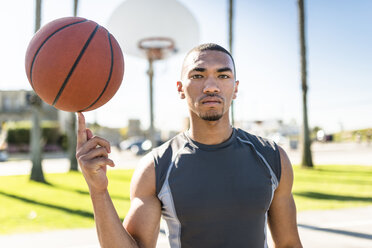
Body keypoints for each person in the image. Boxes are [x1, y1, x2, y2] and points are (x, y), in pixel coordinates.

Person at [76, 43, 303, 248]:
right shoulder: (156, 167)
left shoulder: (272, 157)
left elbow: (289, 244)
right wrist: (98, 191)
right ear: (180, 88)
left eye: (223, 76)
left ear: (235, 88)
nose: (211, 87)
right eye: (198, 75)